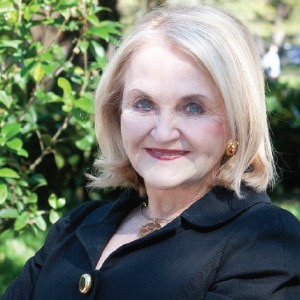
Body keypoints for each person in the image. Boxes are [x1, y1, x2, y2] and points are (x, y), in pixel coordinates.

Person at [2, 5, 300, 300]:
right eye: (144, 103)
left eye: (193, 107)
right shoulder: (79, 224)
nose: (162, 132)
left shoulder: (265, 240)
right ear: (115, 112)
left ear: (239, 122)